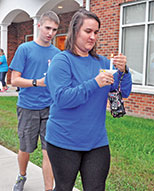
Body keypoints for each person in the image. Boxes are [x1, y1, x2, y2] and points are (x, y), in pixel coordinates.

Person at [45, 9, 132, 191]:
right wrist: (94, 83)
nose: (93, 37)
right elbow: (62, 98)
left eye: (96, 32)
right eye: (88, 31)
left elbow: (122, 92)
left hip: (96, 141)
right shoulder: (62, 61)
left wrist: (124, 71)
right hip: (64, 140)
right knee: (63, 187)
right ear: (75, 31)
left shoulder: (102, 63)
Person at [10, 11, 60, 191]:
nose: (50, 33)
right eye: (48, 28)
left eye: (54, 30)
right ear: (39, 26)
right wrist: (36, 82)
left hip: (50, 109)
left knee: (49, 152)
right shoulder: (25, 49)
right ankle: (21, 175)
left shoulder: (57, 53)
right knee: (26, 148)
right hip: (28, 107)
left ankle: (49, 188)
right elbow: (14, 80)